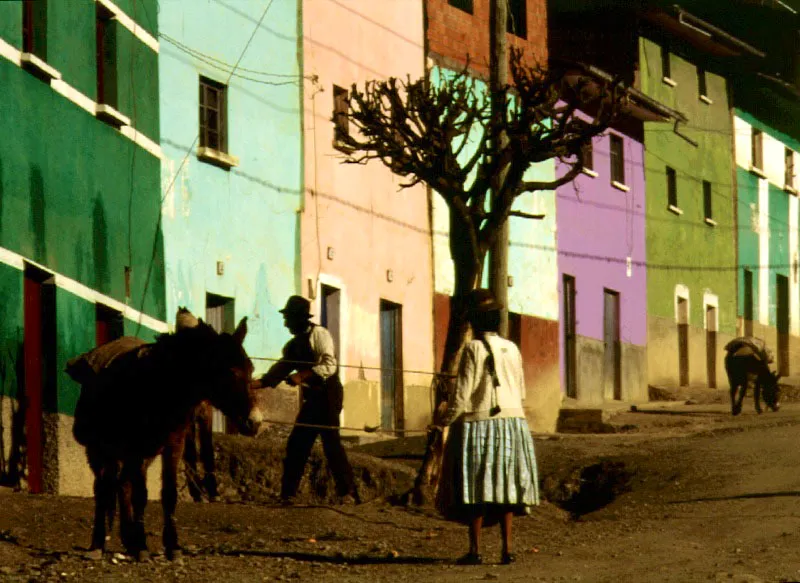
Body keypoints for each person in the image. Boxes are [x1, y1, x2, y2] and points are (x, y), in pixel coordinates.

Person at [435, 288, 539, 566]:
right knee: (506, 489)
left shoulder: (472, 349)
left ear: (474, 321)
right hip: (513, 424)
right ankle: (507, 550)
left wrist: (442, 422)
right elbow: (521, 391)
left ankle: (476, 550)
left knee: (477, 489)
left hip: (480, 425)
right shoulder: (513, 348)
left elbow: (462, 394)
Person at [255, 295, 359, 504]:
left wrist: (302, 375)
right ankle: (288, 494)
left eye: (288, 319)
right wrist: (258, 383)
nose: (285, 324)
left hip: (329, 393)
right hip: (312, 398)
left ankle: (348, 493)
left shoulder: (319, 335)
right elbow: (282, 367)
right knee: (297, 443)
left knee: (331, 443)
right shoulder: (293, 345)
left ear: (299, 319)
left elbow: (330, 365)